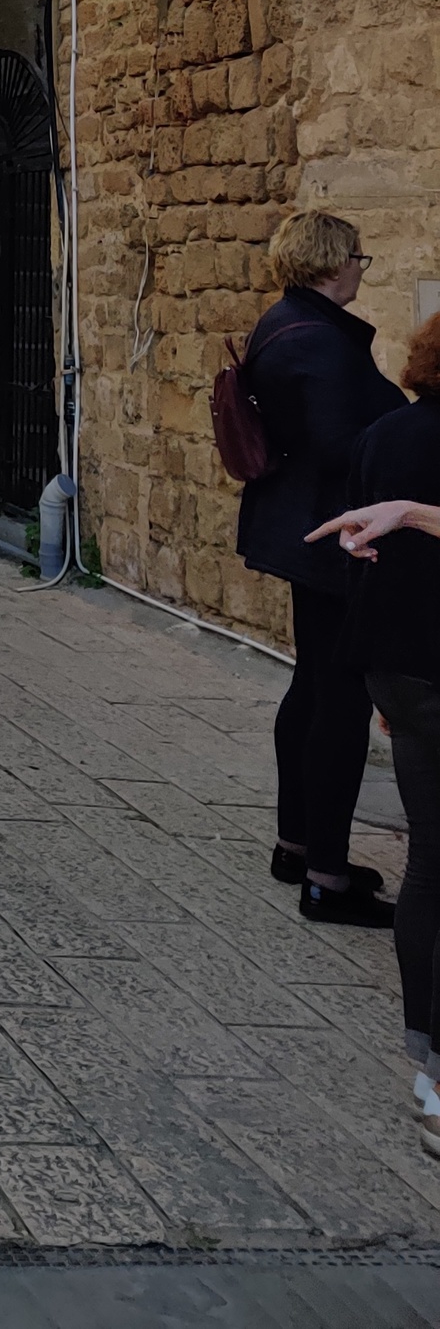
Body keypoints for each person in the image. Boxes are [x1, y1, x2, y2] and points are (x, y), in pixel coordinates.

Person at [236, 208, 403, 925]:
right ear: (333, 263)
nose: (364, 269)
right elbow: (342, 446)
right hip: (334, 535)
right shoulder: (323, 342)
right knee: (338, 701)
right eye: (360, 258)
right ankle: (326, 879)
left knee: (310, 687)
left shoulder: (284, 322)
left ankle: (296, 845)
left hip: (297, 527)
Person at [308, 311, 440, 1155]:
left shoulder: (388, 432)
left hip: (400, 662)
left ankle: (427, 1062)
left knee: (430, 854)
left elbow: (363, 558)